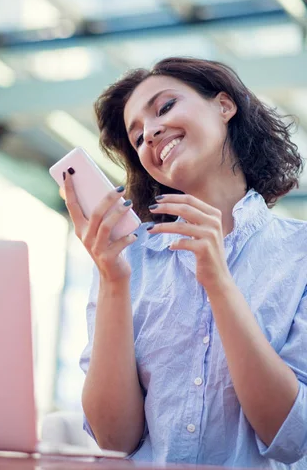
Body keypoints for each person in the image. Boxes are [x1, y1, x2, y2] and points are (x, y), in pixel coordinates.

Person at [63, 57, 307, 468]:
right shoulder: (127, 260)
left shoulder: (299, 254)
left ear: (224, 105)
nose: (151, 133)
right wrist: (113, 281)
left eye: (164, 108)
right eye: (137, 137)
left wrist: (219, 282)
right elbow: (115, 440)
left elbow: (292, 436)